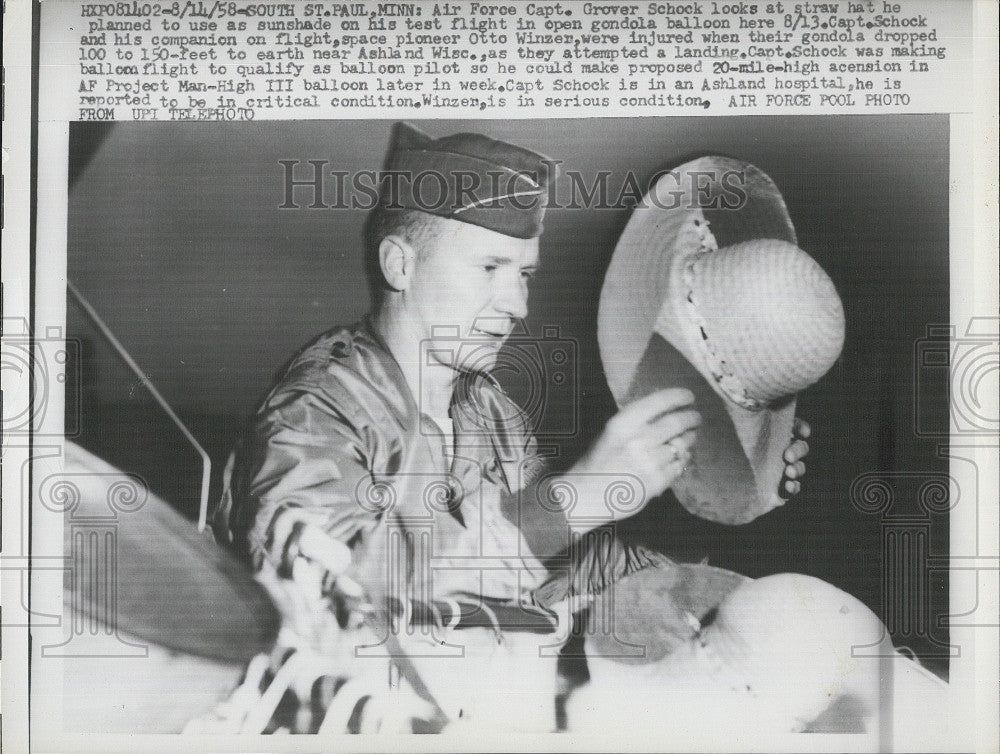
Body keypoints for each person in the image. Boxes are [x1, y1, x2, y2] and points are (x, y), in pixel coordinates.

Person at [213, 122, 814, 733]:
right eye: (490, 267)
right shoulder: (315, 410)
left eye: (523, 274)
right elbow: (334, 601)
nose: (517, 305)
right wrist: (569, 502)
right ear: (400, 264)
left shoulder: (490, 413)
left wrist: (690, 491)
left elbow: (551, 579)